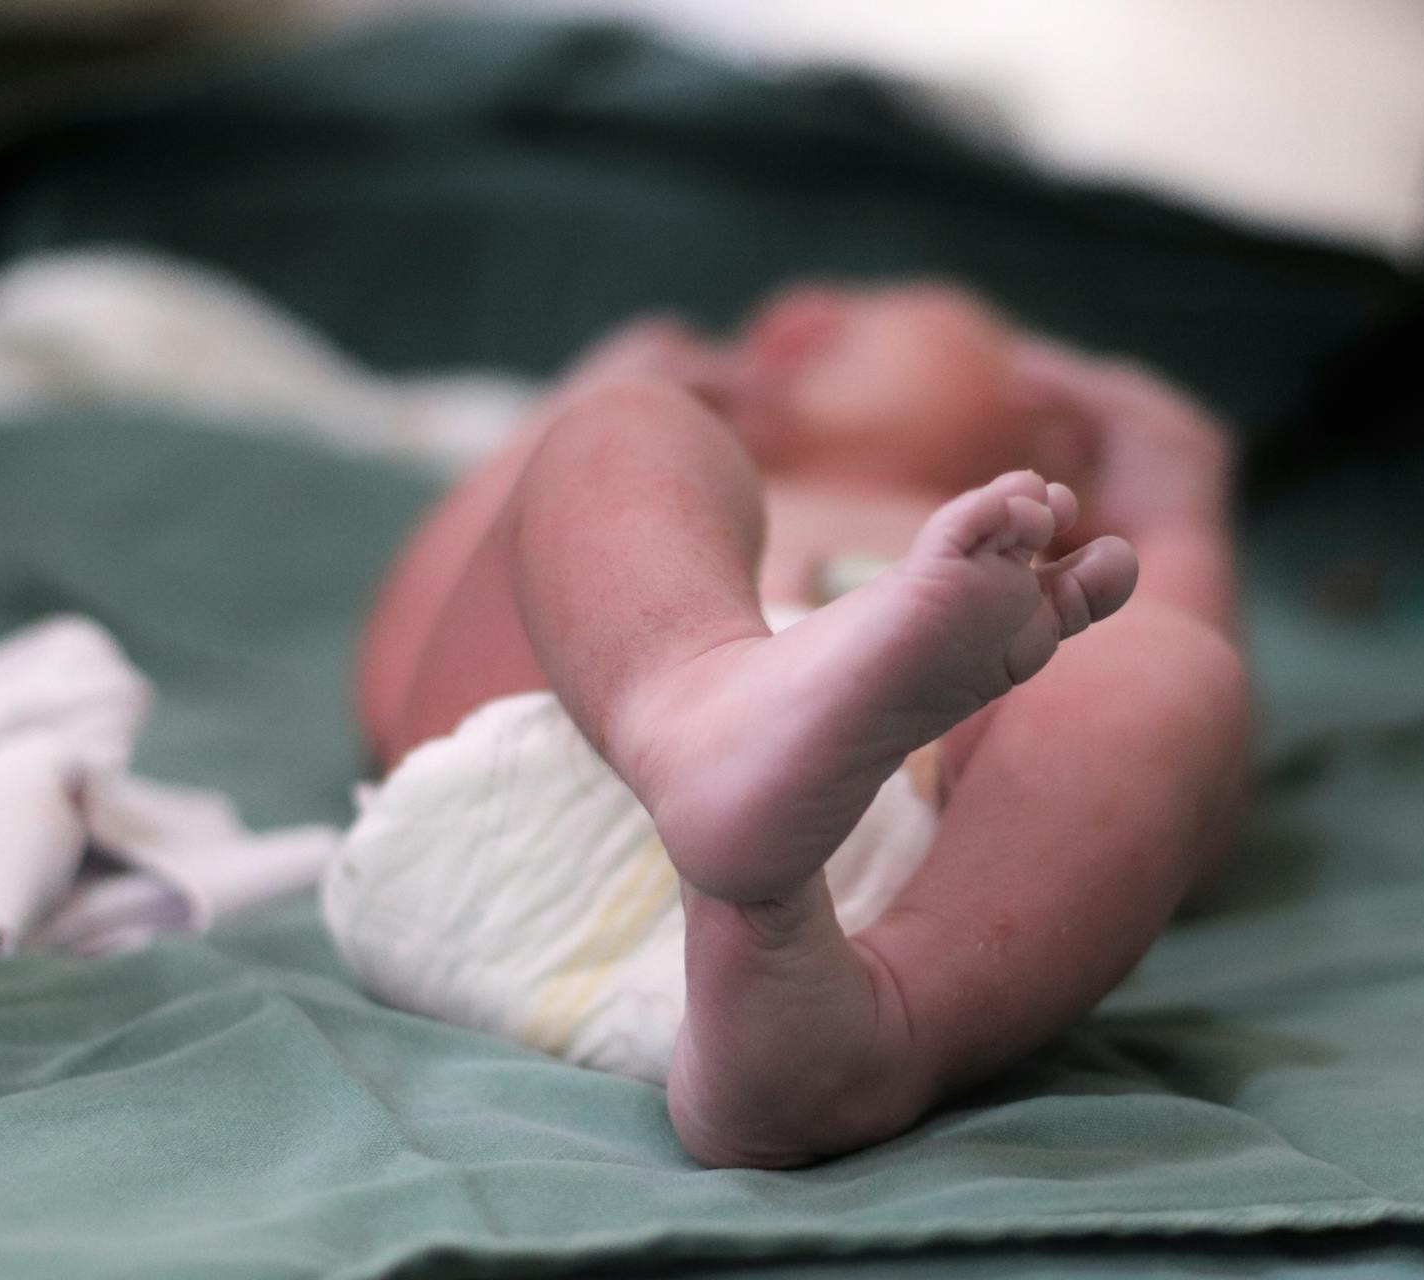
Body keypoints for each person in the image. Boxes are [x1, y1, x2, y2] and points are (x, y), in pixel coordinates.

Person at [349, 282, 1250, 1167]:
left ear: (1060, 436)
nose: (787, 317)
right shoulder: (670, 489)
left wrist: (1174, 527)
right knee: (624, 427)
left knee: (1165, 658)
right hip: (525, 800)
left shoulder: (1039, 580)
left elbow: (1180, 820)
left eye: (869, 315)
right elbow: (402, 681)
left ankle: (864, 1038)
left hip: (853, 941)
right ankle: (691, 712)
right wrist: (555, 426)